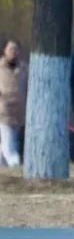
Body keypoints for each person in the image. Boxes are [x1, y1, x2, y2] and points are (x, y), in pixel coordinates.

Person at [0, 39, 28, 167]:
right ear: (5, 50)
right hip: (3, 113)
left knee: (8, 143)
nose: (13, 52)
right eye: (11, 49)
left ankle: (3, 170)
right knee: (9, 146)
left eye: (16, 49)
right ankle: (15, 166)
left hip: (19, 114)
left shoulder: (24, 69)